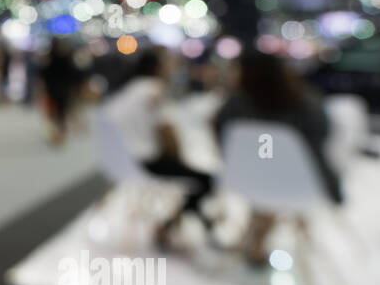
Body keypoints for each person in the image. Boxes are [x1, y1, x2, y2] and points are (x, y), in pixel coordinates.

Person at [214, 52, 343, 265]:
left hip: (247, 181)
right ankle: (262, 235)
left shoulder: (235, 106)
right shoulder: (305, 103)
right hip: (298, 185)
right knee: (275, 178)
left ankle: (256, 234)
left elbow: (222, 140)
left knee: (263, 180)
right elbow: (322, 141)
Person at [102, 48, 214, 250]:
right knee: (205, 180)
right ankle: (168, 227)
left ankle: (199, 222)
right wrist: (180, 160)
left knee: (195, 178)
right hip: (145, 162)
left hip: (121, 160)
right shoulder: (154, 89)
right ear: (157, 67)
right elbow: (166, 132)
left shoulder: (126, 90)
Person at [41, 38, 82, 145]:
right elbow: (73, 74)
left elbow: (44, 75)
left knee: (55, 112)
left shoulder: (50, 59)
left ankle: (58, 133)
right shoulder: (65, 58)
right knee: (61, 111)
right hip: (62, 89)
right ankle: (60, 132)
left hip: (55, 89)